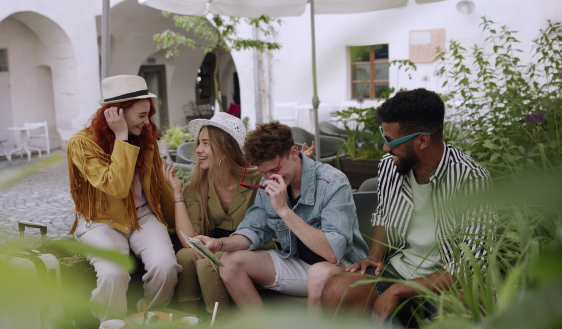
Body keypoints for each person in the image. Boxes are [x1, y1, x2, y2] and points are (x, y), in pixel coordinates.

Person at [321, 88, 495, 326]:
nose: (384, 149)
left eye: (391, 141)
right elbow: (383, 212)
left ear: (422, 140)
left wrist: (401, 290)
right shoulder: (390, 165)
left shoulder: (470, 178)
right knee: (337, 290)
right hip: (399, 270)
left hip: (449, 281)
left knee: (461, 308)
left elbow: (472, 263)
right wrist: (374, 255)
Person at [193, 121, 368, 311]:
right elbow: (253, 229)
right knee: (229, 262)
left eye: (273, 170)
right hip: (296, 261)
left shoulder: (332, 182)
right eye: (263, 172)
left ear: (293, 153)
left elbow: (333, 253)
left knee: (318, 272)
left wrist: (284, 210)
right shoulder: (268, 181)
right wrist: (219, 244)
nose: (269, 178)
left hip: (342, 267)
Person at [163, 113, 316, 315]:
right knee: (184, 256)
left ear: (227, 148)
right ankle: (189, 320)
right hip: (216, 244)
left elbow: (287, 185)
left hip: (254, 247)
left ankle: (219, 321)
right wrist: (177, 194)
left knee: (208, 264)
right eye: (199, 143)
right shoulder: (197, 185)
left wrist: (299, 164)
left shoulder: (257, 178)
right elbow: (190, 241)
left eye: (206, 144)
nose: (198, 150)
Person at [67, 75, 181, 322]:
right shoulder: (82, 144)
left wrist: (179, 228)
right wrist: (121, 138)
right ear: (115, 113)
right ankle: (110, 323)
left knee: (166, 267)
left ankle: (147, 314)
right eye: (141, 116)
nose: (146, 122)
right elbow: (116, 186)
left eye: (148, 115)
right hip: (99, 221)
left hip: (142, 216)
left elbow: (158, 188)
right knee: (112, 274)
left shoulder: (146, 139)